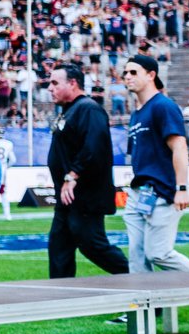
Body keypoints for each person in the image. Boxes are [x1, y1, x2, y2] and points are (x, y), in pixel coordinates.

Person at [120, 52, 189, 313]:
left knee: (158, 253)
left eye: (133, 72)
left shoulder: (163, 106)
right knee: (137, 257)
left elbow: (179, 147)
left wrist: (181, 188)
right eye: (125, 73)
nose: (127, 77)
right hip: (139, 193)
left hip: (162, 193)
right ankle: (142, 310)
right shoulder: (137, 113)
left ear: (151, 75)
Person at [46, 63, 128, 276]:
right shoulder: (69, 111)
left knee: (93, 246)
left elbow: (94, 147)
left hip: (85, 197)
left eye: (55, 83)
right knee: (58, 249)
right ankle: (61, 303)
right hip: (67, 199)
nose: (50, 88)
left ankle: (139, 281)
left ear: (72, 83)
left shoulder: (88, 109)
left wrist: (72, 175)